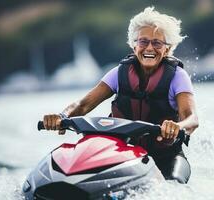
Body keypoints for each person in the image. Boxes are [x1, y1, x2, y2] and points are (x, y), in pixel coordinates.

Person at [43, 7, 199, 184]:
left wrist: (177, 126)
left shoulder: (177, 76)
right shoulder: (119, 73)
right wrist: (62, 117)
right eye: (143, 42)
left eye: (157, 43)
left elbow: (192, 119)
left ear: (167, 48)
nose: (149, 48)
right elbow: (82, 105)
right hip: (124, 155)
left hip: (166, 158)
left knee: (174, 186)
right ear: (134, 45)